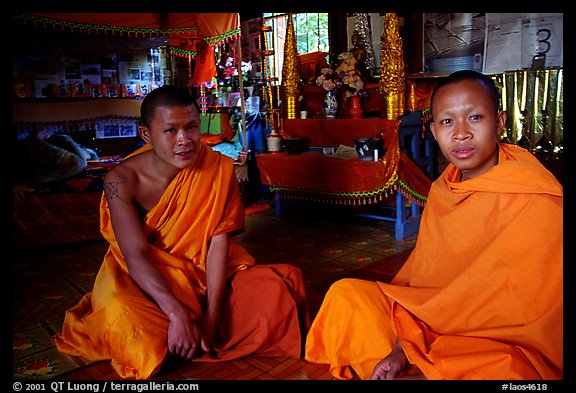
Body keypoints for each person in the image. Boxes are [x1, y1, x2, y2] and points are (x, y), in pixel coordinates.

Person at [304, 70, 563, 380]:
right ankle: (422, 364)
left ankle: (429, 367)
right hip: (432, 322)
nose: (461, 133)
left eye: (476, 118)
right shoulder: (443, 191)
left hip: (495, 339)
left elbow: (538, 312)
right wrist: (403, 346)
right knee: (346, 297)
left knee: (509, 369)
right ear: (434, 130)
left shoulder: (536, 194)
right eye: (447, 121)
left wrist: (443, 340)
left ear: (500, 122)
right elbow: (428, 283)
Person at [53, 85, 310, 380]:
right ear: (146, 135)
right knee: (134, 330)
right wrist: (176, 313)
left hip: (201, 275)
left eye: (191, 127)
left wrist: (212, 320)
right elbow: (134, 254)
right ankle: (180, 330)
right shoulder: (117, 180)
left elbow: (217, 244)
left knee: (279, 287)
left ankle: (196, 331)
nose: (184, 140)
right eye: (171, 131)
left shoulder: (217, 168)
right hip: (140, 280)